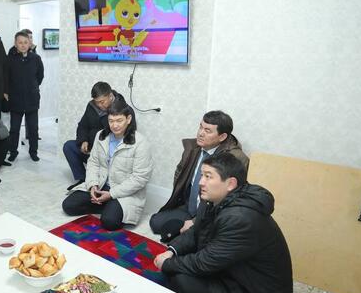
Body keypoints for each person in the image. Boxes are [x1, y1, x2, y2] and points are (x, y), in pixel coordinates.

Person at [154, 152, 293, 293]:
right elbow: (196, 231)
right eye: (202, 175)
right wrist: (172, 251)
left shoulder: (241, 218)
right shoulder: (214, 199)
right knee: (179, 266)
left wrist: (167, 264)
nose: (201, 182)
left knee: (181, 278)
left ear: (230, 184)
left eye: (208, 176)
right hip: (234, 274)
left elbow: (204, 262)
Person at [149, 110, 249, 241]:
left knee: (197, 237)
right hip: (189, 207)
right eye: (200, 127)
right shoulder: (193, 148)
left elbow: (231, 197)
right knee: (156, 222)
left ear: (222, 137)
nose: (200, 133)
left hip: (212, 214)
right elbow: (179, 173)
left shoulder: (234, 158)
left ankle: (194, 230)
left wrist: (195, 221)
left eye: (207, 131)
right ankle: (189, 230)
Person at [62, 100, 152, 231]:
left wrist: (111, 194)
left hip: (123, 191)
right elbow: (93, 162)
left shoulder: (141, 143)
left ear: (128, 119)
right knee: (69, 206)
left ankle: (109, 206)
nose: (114, 125)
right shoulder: (101, 135)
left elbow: (140, 178)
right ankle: (106, 205)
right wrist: (93, 185)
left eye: (119, 120)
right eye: (111, 121)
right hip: (102, 183)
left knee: (109, 222)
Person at [62, 81, 131, 190]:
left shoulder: (123, 110)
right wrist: (84, 140)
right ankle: (84, 180)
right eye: (97, 102)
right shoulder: (91, 106)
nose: (99, 105)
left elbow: (120, 135)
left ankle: (105, 184)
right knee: (69, 146)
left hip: (108, 155)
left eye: (102, 102)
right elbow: (83, 125)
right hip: (91, 149)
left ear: (110, 96)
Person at [6, 30, 44, 162]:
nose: (23, 45)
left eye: (25, 42)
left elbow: (40, 76)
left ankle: (33, 151)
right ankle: (13, 151)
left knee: (33, 129)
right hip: (15, 100)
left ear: (29, 43)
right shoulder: (10, 59)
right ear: (15, 43)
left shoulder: (36, 58)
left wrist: (32, 87)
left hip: (32, 99)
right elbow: (6, 77)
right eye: (20, 42)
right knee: (14, 129)